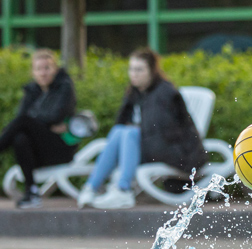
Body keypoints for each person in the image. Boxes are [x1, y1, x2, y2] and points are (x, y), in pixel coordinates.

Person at [78, 47, 207, 209]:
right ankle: (91, 187)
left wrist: (134, 135)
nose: (134, 74)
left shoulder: (164, 93)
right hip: (154, 147)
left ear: (152, 71)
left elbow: (163, 133)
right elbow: (122, 124)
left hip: (178, 152)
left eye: (139, 70)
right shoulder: (136, 93)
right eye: (131, 69)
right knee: (120, 131)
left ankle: (122, 190)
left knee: (130, 133)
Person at [0, 49, 77, 209]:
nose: (43, 73)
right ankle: (32, 191)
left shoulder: (65, 87)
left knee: (24, 123)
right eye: (38, 69)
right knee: (20, 137)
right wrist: (41, 123)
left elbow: (55, 116)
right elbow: (25, 118)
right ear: (33, 72)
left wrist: (34, 121)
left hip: (61, 148)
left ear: (55, 69)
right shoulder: (32, 91)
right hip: (38, 151)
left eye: (47, 68)